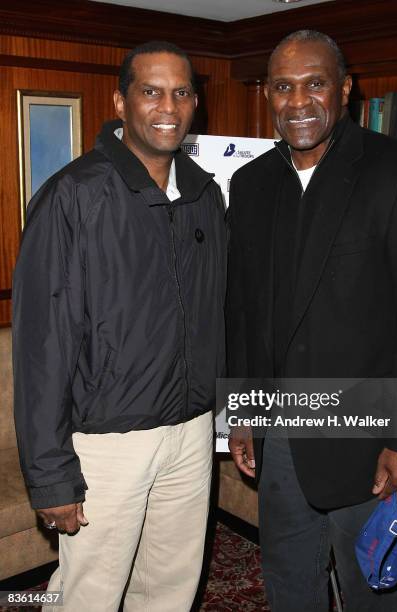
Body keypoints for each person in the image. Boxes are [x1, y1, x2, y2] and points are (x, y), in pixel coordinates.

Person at [226, 30, 397, 611]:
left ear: (346, 89)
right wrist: (241, 413)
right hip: (280, 433)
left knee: (372, 593)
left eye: (315, 83)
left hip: (370, 442)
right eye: (283, 86)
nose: (298, 101)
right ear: (267, 96)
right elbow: (243, 311)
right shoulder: (249, 184)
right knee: (288, 586)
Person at [13, 40, 226, 612]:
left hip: (190, 431)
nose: (168, 107)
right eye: (151, 91)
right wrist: (51, 476)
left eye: (181, 93)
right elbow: (41, 349)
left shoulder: (205, 195)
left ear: (195, 103)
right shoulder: (74, 197)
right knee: (88, 596)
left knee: (169, 591)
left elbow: (219, 315)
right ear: (121, 101)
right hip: (106, 443)